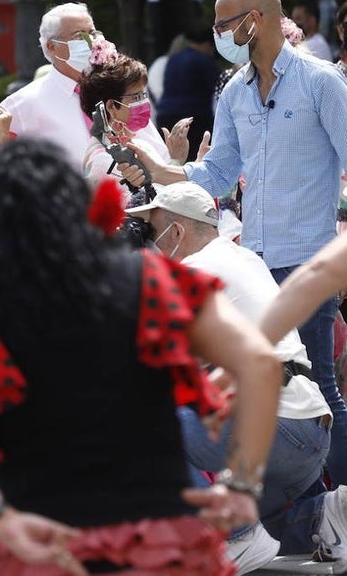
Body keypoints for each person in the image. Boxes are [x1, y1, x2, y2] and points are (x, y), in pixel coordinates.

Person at [0, 139, 282, 575]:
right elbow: (259, 361)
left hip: (41, 551)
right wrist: (241, 484)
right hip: (157, 547)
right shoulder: (152, 281)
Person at [123, 0, 347, 486]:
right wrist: (162, 170)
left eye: (225, 23)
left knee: (317, 390)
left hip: (307, 262)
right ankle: (306, 509)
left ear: (256, 20)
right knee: (268, 388)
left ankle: (331, 506)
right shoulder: (233, 91)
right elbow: (219, 174)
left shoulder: (322, 81)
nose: (218, 33)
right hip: (255, 262)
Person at [128, 182, 334, 571]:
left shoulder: (193, 269)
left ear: (176, 232)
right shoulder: (243, 259)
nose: (150, 245)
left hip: (274, 426)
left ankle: (234, 535)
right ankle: (327, 514)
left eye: (151, 234)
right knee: (265, 521)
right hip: (309, 432)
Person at [0, 2, 98, 168]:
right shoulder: (21, 104)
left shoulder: (113, 88)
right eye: (79, 36)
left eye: (92, 33)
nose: (91, 42)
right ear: (52, 46)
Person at [77, 39, 180, 182]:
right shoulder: (104, 159)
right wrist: (176, 161)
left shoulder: (137, 139)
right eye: (137, 96)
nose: (144, 102)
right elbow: (151, 200)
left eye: (144, 95)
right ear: (111, 106)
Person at [157, 23, 220, 162]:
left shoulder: (173, 58)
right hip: (194, 118)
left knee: (171, 159)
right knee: (194, 160)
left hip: (166, 114)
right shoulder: (205, 60)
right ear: (208, 44)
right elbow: (217, 89)